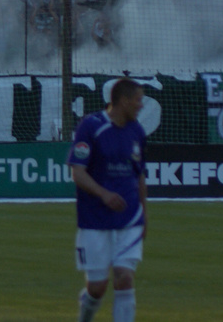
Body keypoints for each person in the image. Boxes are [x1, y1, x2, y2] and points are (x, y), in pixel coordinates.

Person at [69, 78, 147, 322]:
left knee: (124, 277)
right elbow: (77, 172)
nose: (140, 106)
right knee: (97, 287)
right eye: (137, 100)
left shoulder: (137, 131)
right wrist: (104, 194)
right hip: (95, 219)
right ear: (123, 101)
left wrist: (145, 217)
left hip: (129, 218)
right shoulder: (91, 127)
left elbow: (140, 176)